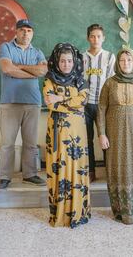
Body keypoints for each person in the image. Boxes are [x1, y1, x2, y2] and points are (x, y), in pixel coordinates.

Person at [96, 46, 133, 224]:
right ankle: (121, 210)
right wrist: (101, 134)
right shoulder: (109, 83)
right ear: (117, 63)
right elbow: (101, 109)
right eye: (122, 60)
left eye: (129, 60)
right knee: (118, 168)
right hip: (115, 135)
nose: (126, 63)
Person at [43, 42, 91, 228]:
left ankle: (79, 213)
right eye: (62, 61)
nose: (66, 64)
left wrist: (61, 98)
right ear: (56, 61)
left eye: (70, 60)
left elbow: (83, 101)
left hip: (78, 132)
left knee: (78, 169)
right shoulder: (49, 79)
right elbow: (50, 103)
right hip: (57, 132)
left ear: (75, 61)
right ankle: (60, 215)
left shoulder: (80, 79)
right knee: (59, 168)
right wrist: (70, 102)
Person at [0, 19, 47, 189]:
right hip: (9, 102)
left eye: (29, 30)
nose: (26, 33)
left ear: (32, 33)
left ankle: (30, 174)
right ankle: (4, 177)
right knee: (7, 143)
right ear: (16, 32)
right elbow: (7, 69)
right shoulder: (6, 47)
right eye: (22, 30)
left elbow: (42, 71)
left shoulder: (38, 52)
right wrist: (31, 73)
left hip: (33, 102)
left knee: (31, 143)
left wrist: (19, 66)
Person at [83, 24, 115, 182]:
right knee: (87, 139)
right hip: (85, 105)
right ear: (88, 38)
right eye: (92, 36)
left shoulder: (109, 57)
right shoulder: (81, 57)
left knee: (106, 138)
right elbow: (78, 82)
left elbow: (111, 81)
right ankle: (90, 171)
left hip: (103, 105)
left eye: (99, 36)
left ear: (103, 38)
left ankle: (109, 170)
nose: (95, 39)